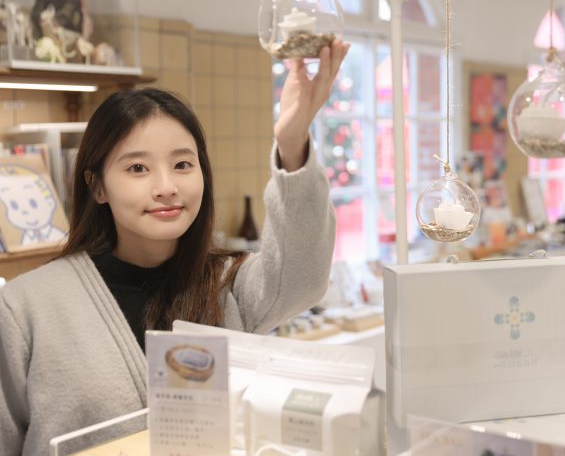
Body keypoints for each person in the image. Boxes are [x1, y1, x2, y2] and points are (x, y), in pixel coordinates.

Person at [0, 40, 349, 454]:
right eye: (137, 168)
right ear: (97, 187)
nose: (166, 187)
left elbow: (302, 277)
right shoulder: (24, 309)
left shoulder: (230, 286)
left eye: (183, 164)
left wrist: (292, 144)